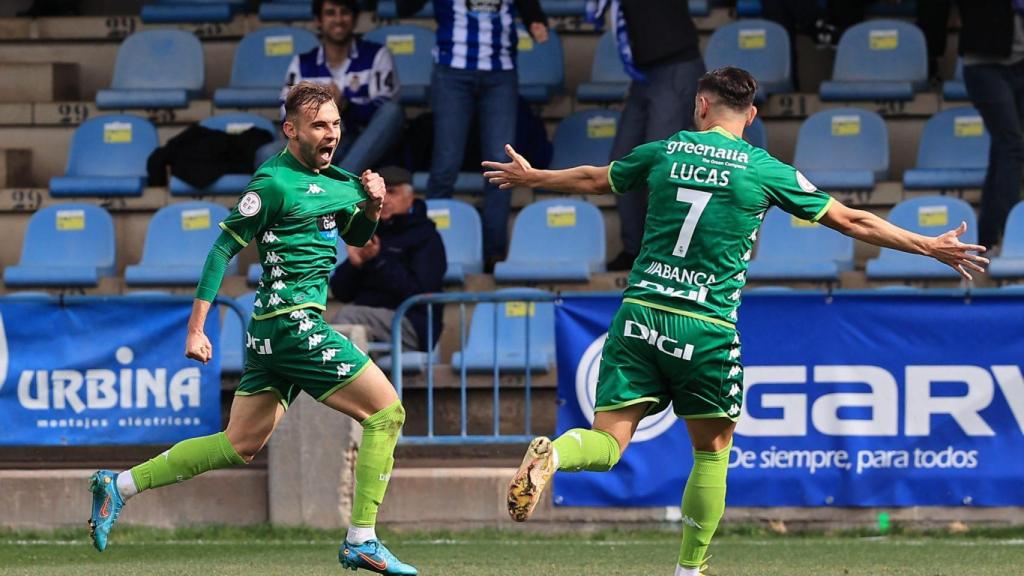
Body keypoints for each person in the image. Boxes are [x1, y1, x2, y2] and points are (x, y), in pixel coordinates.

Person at [483, 67, 988, 576]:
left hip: (639, 315)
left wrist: (534, 178)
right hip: (705, 325)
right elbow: (850, 220)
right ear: (750, 115)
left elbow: (597, 177)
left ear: (701, 106)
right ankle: (689, 569)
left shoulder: (664, 150)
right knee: (712, 452)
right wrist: (927, 245)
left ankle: (557, 455)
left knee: (608, 444)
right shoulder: (763, 169)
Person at [88, 82, 418, 576]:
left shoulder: (339, 178)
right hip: (291, 323)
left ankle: (119, 486)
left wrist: (371, 206)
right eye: (319, 126)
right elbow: (222, 251)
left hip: (272, 330)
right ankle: (362, 538)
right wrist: (196, 329)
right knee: (386, 413)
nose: (331, 135)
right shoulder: (272, 184)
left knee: (238, 443)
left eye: (336, 124)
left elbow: (355, 235)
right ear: (291, 130)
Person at [397, 0, 549, 270]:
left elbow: (530, 7)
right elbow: (404, 7)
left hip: (500, 71)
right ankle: (428, 247)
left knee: (501, 164)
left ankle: (493, 253)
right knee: (446, 162)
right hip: (451, 69)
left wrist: (535, 21)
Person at [588, 0, 706, 271]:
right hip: (645, 75)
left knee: (661, 164)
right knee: (622, 162)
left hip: (676, 66)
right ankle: (636, 249)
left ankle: (668, 253)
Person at [330, 165, 446, 353]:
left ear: (410, 198)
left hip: (411, 324)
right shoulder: (372, 230)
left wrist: (378, 261)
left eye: (392, 192)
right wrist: (354, 265)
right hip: (370, 322)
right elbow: (342, 293)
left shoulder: (426, 236)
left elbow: (420, 293)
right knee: (347, 328)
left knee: (348, 318)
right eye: (382, 193)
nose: (385, 199)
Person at [280, 0, 404, 174]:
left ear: (355, 19)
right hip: (315, 142)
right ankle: (335, 184)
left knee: (393, 111)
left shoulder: (376, 55)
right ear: (318, 20)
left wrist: (346, 105)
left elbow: (385, 113)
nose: (338, 19)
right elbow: (286, 114)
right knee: (268, 153)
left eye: (344, 12)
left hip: (359, 141)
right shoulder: (302, 64)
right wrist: (322, 111)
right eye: (330, 13)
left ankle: (338, 186)